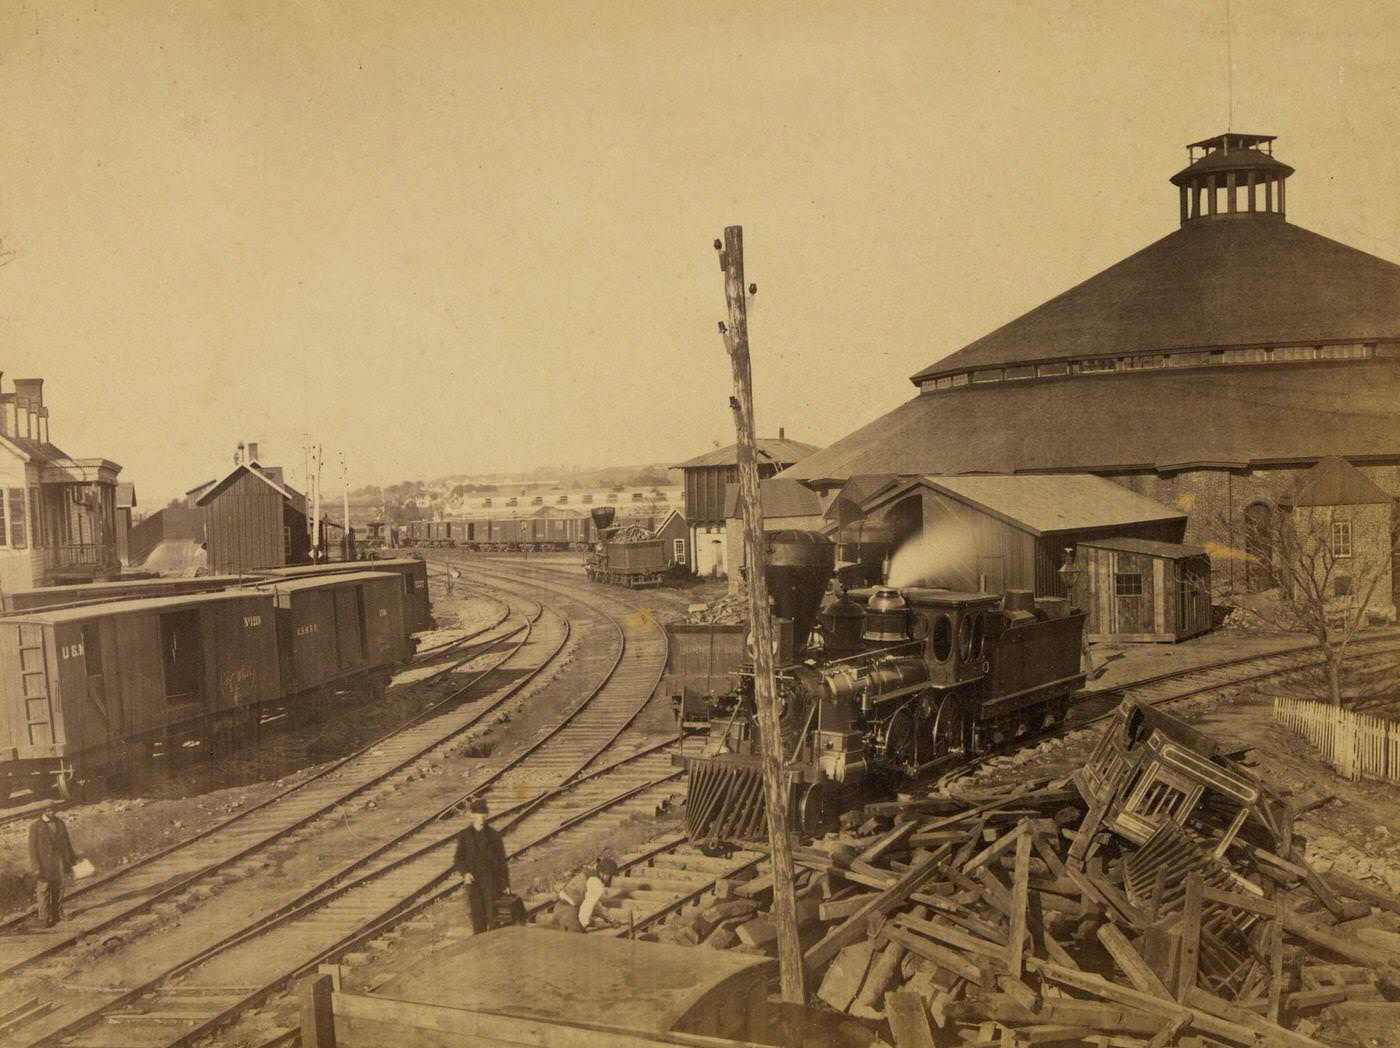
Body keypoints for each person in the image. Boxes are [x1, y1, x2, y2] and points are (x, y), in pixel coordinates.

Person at [453, 797, 508, 934]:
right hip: (474, 882)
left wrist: (506, 884)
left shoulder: (494, 835)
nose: (481, 817)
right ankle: (479, 946)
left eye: (484, 813)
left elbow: (502, 861)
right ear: (472, 815)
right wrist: (465, 873)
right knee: (477, 916)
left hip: (492, 881)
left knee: (493, 916)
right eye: (478, 813)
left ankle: (493, 948)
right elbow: (458, 858)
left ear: (487, 815)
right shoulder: (464, 835)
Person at [29, 810, 77, 927]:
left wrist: (71, 858)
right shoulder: (36, 826)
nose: (52, 813)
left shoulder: (60, 823)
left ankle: (57, 913)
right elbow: (32, 848)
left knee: (59, 888)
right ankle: (44, 918)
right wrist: (35, 865)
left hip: (59, 862)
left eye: (53, 810)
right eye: (49, 811)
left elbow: (67, 842)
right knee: (43, 890)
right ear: (43, 812)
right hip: (43, 864)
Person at [550, 857, 623, 932]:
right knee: (578, 939)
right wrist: (582, 926)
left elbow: (596, 905)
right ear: (604, 874)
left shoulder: (590, 875)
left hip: (559, 907)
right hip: (568, 912)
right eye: (610, 875)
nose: (611, 878)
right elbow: (587, 907)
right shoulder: (596, 884)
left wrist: (610, 919)